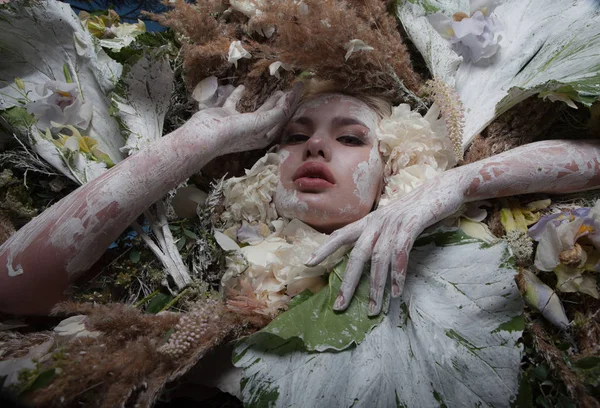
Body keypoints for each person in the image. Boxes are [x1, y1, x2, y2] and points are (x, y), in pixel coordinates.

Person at [1, 82, 599, 317]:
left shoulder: (450, 231)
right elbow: (11, 289)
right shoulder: (203, 270)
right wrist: (202, 138)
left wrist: (452, 185)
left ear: (395, 164)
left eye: (350, 137)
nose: (315, 147)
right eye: (294, 136)